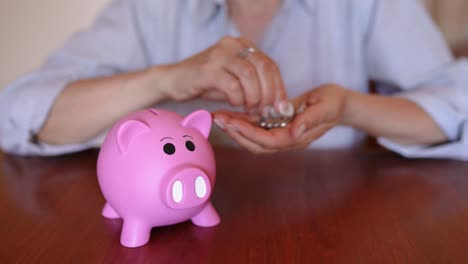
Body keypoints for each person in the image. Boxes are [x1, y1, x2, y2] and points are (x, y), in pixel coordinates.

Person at [0, 0, 467, 159]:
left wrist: (350, 108)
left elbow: (458, 105)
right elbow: (19, 116)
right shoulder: (153, 8)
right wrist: (165, 80)